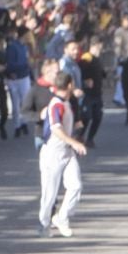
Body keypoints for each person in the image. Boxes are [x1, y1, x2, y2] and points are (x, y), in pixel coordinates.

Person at [38, 74, 87, 239]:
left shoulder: (67, 102)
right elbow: (56, 129)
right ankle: (44, 224)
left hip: (67, 151)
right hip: (53, 152)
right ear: (70, 85)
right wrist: (74, 142)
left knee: (75, 185)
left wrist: (76, 137)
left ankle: (62, 217)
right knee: (49, 193)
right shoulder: (56, 104)